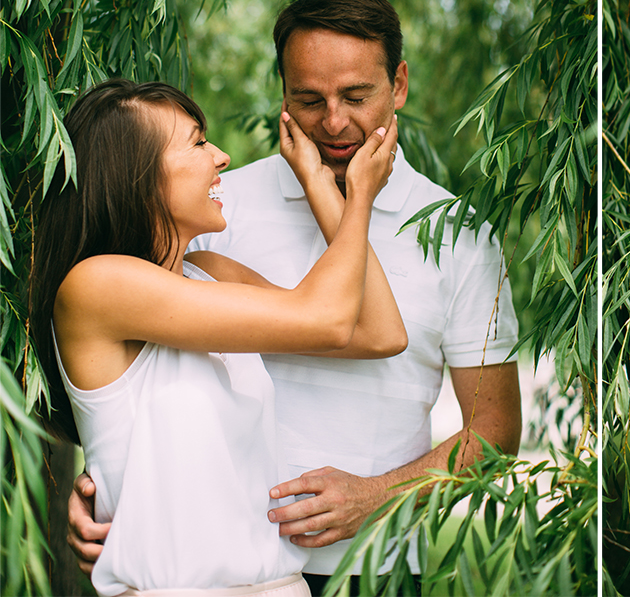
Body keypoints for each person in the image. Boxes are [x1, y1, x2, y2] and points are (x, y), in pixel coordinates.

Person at [68, 0, 522, 594]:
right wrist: (113, 485)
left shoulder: (464, 239)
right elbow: (131, 387)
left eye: (356, 96)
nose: (334, 122)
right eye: (309, 100)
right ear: (283, 93)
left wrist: (378, 496)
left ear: (400, 85)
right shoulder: (217, 215)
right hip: (204, 568)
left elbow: (493, 430)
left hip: (375, 567)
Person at [32, 79, 407, 596]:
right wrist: (361, 194)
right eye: (198, 142)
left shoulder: (209, 272)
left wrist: (322, 185)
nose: (222, 157)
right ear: (138, 174)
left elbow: (378, 330)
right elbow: (329, 318)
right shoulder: (97, 286)